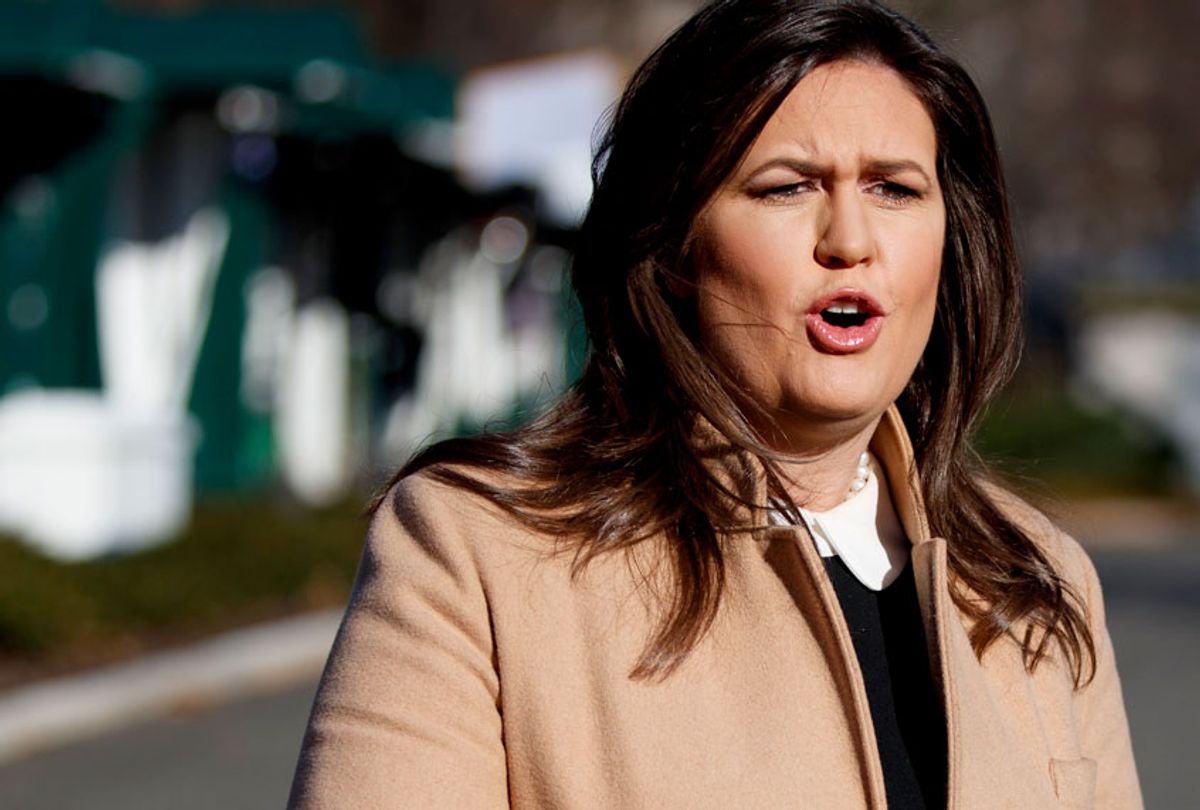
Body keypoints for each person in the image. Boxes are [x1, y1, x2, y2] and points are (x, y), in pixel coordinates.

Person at [289, 1, 1142, 807]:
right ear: (676, 250)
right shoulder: (477, 554)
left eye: (894, 188)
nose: (850, 239)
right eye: (786, 186)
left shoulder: (1039, 583)